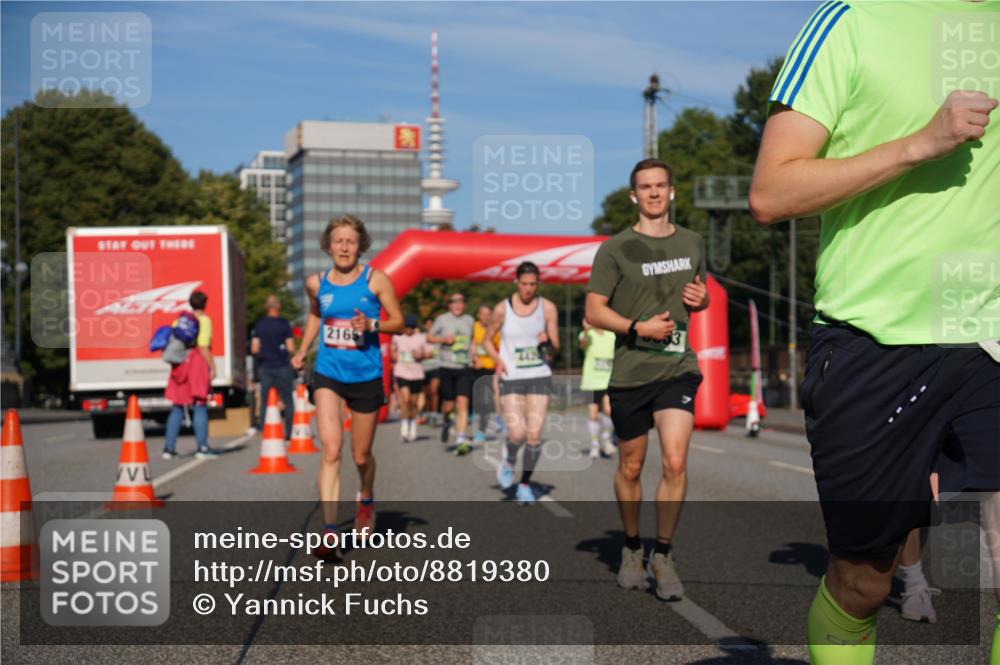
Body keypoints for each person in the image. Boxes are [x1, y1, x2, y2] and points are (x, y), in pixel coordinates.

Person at [750, 2, 998, 662]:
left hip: (992, 335)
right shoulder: (851, 19)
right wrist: (921, 143)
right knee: (864, 582)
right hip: (876, 340)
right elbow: (771, 192)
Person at [585, 157, 710, 601]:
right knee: (631, 466)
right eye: (645, 187)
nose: (654, 193)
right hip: (631, 371)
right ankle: (632, 546)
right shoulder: (615, 248)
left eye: (660, 185)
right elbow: (593, 310)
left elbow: (699, 295)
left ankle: (664, 553)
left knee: (674, 461)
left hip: (678, 368)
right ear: (633, 195)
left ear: (671, 191)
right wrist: (638, 328)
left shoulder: (693, 242)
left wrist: (702, 299)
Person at [291, 215, 404, 555]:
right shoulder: (316, 283)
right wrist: (303, 349)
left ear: (360, 246)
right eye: (338, 241)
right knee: (331, 449)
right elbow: (316, 314)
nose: (344, 247)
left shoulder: (376, 280)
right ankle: (329, 531)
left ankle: (366, 497)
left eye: (351, 241)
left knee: (361, 455)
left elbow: (398, 322)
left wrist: (372, 324)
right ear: (328, 246)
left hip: (366, 376)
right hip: (328, 373)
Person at [484, 261, 560, 505]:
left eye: (533, 284)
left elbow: (556, 347)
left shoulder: (548, 308)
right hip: (512, 377)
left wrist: (547, 342)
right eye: (524, 284)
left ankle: (524, 484)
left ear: (538, 284)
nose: (528, 289)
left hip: (539, 375)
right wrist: (498, 360)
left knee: (534, 436)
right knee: (517, 434)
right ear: (516, 282)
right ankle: (509, 459)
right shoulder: (502, 309)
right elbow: (486, 340)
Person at [163, 290, 219, 460]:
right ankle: (202, 447)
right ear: (205, 304)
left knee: (178, 406)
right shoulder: (204, 320)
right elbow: (203, 346)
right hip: (197, 364)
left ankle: (169, 449)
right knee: (200, 405)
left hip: (180, 364)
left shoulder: (179, 320)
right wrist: (212, 366)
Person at [428, 294, 475, 455]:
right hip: (446, 366)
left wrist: (474, 356)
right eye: (454, 303)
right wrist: (443, 340)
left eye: (460, 302)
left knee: (463, 402)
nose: (457, 305)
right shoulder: (442, 319)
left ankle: (461, 438)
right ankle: (447, 420)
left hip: (464, 366)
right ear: (449, 305)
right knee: (448, 405)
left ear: (464, 305)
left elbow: (473, 340)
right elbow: (429, 337)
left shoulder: (469, 320)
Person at [251, 295, 297, 441]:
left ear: (266, 307)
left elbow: (254, 348)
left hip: (265, 367)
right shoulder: (284, 324)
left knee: (265, 401)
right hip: (283, 366)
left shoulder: (260, 324)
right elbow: (291, 347)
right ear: (279, 306)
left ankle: (265, 430)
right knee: (288, 401)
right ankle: (289, 432)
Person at [579, 319, 617, 460]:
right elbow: (583, 344)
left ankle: (606, 440)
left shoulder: (611, 335)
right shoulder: (586, 334)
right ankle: (594, 445)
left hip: (608, 381)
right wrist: (586, 330)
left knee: (609, 411)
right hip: (591, 382)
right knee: (593, 415)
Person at [392, 314, 430, 442]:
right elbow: (392, 350)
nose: (409, 329)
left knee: (413, 403)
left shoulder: (421, 338)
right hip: (402, 372)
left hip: (416, 374)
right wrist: (395, 357)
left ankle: (412, 427)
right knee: (405, 399)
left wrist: (421, 354)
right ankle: (404, 429)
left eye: (411, 327)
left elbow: (429, 353)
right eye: (407, 327)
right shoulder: (397, 337)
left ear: (414, 327)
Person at [471, 304, 501, 443]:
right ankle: (474, 415)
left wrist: (498, 364)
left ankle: (482, 430)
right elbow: (471, 343)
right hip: (475, 367)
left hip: (490, 368)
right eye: (483, 314)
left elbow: (500, 348)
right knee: (476, 398)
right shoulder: (474, 327)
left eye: (489, 314)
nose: (486, 317)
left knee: (487, 399)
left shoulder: (495, 329)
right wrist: (474, 357)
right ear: (478, 315)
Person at [420, 317, 442, 426]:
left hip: (436, 367)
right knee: (427, 393)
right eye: (427, 324)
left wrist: (430, 354)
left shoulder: (438, 337)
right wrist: (422, 354)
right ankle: (427, 413)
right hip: (424, 368)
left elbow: (440, 351)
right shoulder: (421, 337)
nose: (429, 326)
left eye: (431, 324)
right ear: (424, 326)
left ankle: (434, 414)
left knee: (434, 390)